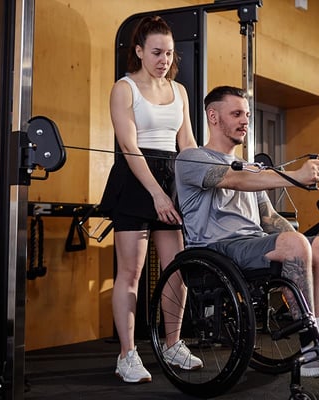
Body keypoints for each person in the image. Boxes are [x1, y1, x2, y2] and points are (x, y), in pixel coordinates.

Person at [175, 86, 319, 378]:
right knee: (297, 244)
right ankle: (312, 352)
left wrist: (306, 244)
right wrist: (294, 178)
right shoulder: (192, 158)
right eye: (236, 114)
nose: (245, 120)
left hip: (252, 245)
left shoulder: (251, 167)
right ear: (213, 116)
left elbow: (269, 218)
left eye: (246, 114)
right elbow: (233, 180)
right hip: (215, 249)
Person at [99, 16, 202, 384]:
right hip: (135, 178)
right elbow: (128, 145)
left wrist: (203, 180)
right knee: (131, 272)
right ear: (139, 51)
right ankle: (127, 354)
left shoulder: (179, 92)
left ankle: (173, 344)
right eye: (156, 52)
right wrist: (156, 193)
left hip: (170, 178)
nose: (163, 59)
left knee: (178, 267)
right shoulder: (124, 88)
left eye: (169, 53)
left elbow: (186, 145)